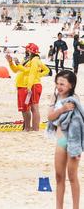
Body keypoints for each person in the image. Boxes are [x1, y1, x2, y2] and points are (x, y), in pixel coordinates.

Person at [47, 70, 81, 209]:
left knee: (72, 176)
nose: (59, 86)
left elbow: (78, 123)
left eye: (62, 84)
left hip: (73, 141)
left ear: (71, 85)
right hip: (61, 141)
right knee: (59, 176)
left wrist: (78, 146)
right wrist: (61, 110)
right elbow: (50, 117)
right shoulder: (55, 98)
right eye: (57, 83)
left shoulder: (74, 99)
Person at [7, 43, 49, 131]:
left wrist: (36, 77)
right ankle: (29, 127)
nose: (26, 50)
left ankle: (33, 129)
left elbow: (30, 72)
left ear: (30, 51)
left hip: (30, 85)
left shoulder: (34, 60)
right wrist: (11, 62)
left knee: (33, 108)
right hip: (23, 85)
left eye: (27, 49)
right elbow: (16, 70)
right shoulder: (27, 59)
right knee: (26, 108)